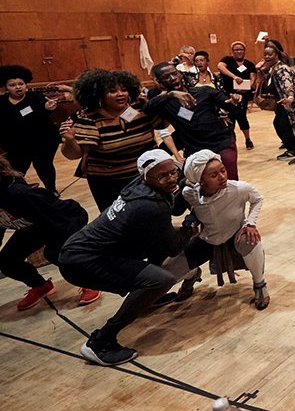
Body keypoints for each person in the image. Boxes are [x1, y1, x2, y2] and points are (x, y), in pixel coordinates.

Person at [58, 150, 192, 365]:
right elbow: (174, 246)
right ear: (145, 176)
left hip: (86, 249)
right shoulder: (149, 206)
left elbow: (172, 208)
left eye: (173, 172)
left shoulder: (138, 186)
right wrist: (190, 226)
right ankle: (101, 342)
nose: (171, 179)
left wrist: (188, 183)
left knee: (157, 241)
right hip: (82, 262)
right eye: (163, 176)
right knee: (160, 280)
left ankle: (149, 299)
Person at [163, 150, 269, 310]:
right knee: (166, 274)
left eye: (223, 170)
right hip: (206, 240)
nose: (222, 177)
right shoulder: (189, 194)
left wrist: (250, 223)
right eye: (213, 175)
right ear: (200, 181)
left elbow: (258, 199)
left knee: (249, 238)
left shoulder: (238, 189)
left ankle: (260, 284)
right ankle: (192, 274)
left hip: (234, 237)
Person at [0, 154, 101, 309]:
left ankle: (89, 281)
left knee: (55, 253)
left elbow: (56, 222)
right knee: (6, 261)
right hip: (36, 225)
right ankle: (41, 286)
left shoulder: (17, 194)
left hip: (66, 218)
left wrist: (66, 248)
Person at [60, 69, 164, 212]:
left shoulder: (140, 107)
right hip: (109, 182)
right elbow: (74, 154)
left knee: (152, 214)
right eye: (113, 91)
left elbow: (162, 124)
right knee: (117, 221)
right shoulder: (88, 117)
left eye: (124, 89)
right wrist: (70, 140)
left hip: (145, 176)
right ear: (99, 95)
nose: (120, 94)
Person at [145, 63, 243, 179]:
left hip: (221, 143)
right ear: (160, 82)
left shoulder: (204, 91)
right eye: (166, 77)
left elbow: (229, 106)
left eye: (174, 74)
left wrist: (235, 102)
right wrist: (170, 95)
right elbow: (147, 109)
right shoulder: (164, 102)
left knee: (228, 182)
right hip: (194, 149)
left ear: (180, 74)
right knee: (199, 187)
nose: (172, 78)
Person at [0, 64, 60, 194]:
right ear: (5, 87)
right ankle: (20, 191)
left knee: (43, 165)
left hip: (42, 140)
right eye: (13, 85)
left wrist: (49, 106)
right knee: (17, 168)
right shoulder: (2, 102)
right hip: (16, 143)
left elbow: (46, 105)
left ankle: (52, 190)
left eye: (21, 83)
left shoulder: (35, 97)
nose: (18, 87)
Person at [259, 40, 295, 164]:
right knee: (278, 124)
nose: (267, 57)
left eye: (270, 54)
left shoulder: (282, 69)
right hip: (284, 102)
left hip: (294, 102)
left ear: (276, 55)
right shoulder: (272, 69)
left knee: (285, 127)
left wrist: (290, 98)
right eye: (265, 54)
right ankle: (291, 149)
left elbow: (288, 85)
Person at [217, 41, 257, 150]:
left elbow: (253, 79)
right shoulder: (227, 60)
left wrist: (247, 87)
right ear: (232, 51)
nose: (239, 51)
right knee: (229, 118)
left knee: (242, 117)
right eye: (236, 50)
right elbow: (220, 66)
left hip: (243, 95)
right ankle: (231, 140)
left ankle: (248, 139)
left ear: (244, 51)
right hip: (228, 95)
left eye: (241, 49)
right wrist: (234, 77)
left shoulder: (249, 64)